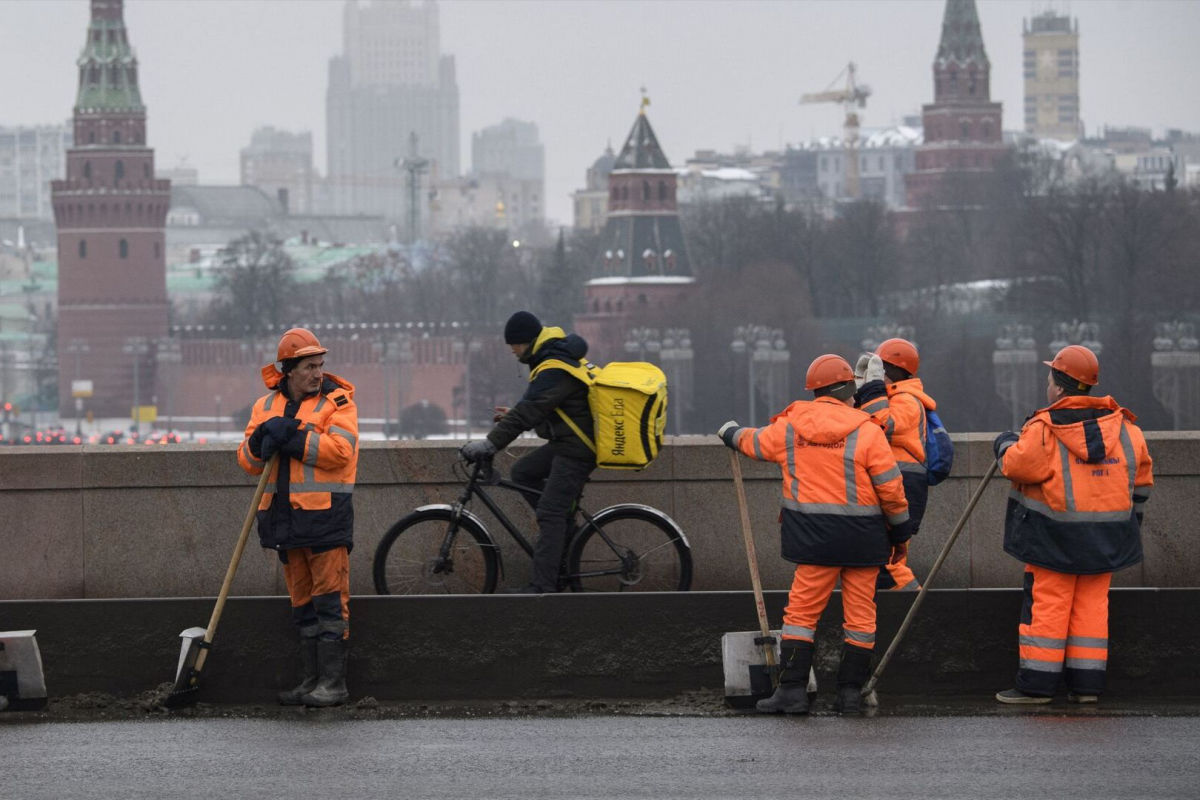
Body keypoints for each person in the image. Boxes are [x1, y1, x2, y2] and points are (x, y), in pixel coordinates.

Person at [718, 354, 913, 715]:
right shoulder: (867, 430)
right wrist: (901, 532)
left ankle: (792, 691)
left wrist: (730, 433)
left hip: (813, 540)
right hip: (864, 541)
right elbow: (891, 488)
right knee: (860, 618)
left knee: (802, 615)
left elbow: (755, 442)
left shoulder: (793, 426)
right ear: (847, 392)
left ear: (815, 391)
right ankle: (850, 694)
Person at [992, 344, 1152, 705]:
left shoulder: (1044, 429)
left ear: (1060, 387)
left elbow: (1017, 466)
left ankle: (1036, 686)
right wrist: (1129, 524)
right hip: (1107, 540)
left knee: (1048, 609)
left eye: (1050, 379)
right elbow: (1141, 484)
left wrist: (1003, 443)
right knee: (1091, 611)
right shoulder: (1126, 429)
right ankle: (1086, 687)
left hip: (1053, 540)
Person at [238, 327, 359, 707]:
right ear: (288, 369)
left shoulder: (337, 403)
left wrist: (290, 435)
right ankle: (310, 681)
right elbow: (247, 462)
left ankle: (334, 684)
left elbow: (342, 451)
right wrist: (261, 441)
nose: (317, 373)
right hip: (284, 524)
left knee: (329, 605)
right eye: (309, 366)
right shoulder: (264, 408)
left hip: (324, 522)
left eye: (320, 365)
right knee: (303, 607)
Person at [460, 311, 596, 594]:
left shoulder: (554, 367)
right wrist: (514, 415)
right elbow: (552, 408)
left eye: (514, 345)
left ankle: (544, 586)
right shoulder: (552, 360)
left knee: (549, 512)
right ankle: (565, 532)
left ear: (527, 341)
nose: (512, 350)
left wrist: (490, 444)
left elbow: (529, 411)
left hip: (578, 449)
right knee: (523, 472)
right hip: (568, 442)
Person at [853, 337, 938, 591]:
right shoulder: (892, 397)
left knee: (889, 564)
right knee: (882, 561)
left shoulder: (908, 401)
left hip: (903, 488)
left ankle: (913, 610)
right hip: (893, 485)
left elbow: (882, 425)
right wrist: (861, 391)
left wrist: (873, 389)